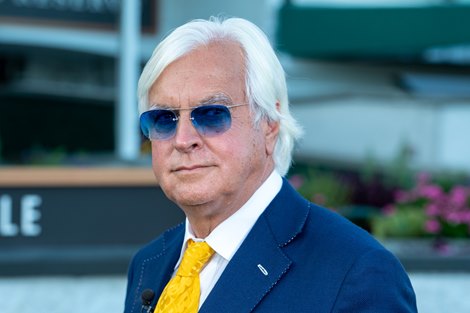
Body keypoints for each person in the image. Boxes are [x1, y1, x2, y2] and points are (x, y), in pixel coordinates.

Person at [124, 17, 417, 313]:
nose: (183, 140)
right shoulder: (151, 263)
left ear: (269, 124)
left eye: (211, 114)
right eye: (163, 119)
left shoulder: (356, 273)